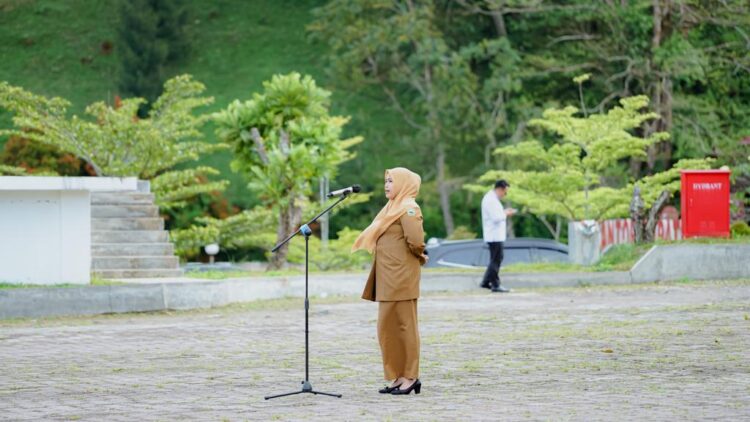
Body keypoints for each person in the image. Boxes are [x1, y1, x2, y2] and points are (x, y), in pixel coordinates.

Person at [352, 167, 427, 396]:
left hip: (402, 278)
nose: (386, 185)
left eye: (391, 181)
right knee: (388, 328)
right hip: (387, 278)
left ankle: (410, 377)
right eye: (385, 181)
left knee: (405, 328)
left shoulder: (409, 209)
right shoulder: (390, 209)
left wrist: (421, 254)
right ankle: (397, 376)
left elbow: (415, 241)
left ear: (404, 184)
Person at [480, 180, 516, 293]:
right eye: (505, 192)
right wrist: (506, 213)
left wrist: (503, 212)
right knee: (496, 260)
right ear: (500, 189)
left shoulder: (492, 199)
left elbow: (496, 214)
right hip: (494, 235)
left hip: (495, 235)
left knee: (495, 259)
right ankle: (495, 284)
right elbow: (496, 217)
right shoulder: (490, 200)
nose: (504, 195)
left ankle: (486, 281)